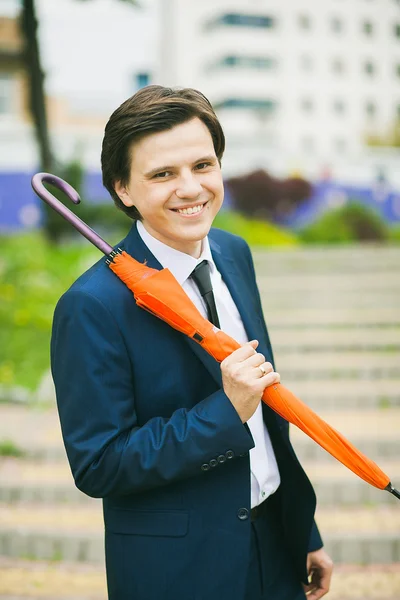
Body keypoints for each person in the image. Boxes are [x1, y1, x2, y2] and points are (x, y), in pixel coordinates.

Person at [51, 85, 333, 600]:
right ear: (123, 189)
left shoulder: (234, 252)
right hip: (178, 570)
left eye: (203, 165)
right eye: (162, 174)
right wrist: (224, 412)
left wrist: (301, 529)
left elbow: (267, 412)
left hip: (275, 542)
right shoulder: (91, 306)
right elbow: (99, 464)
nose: (190, 188)